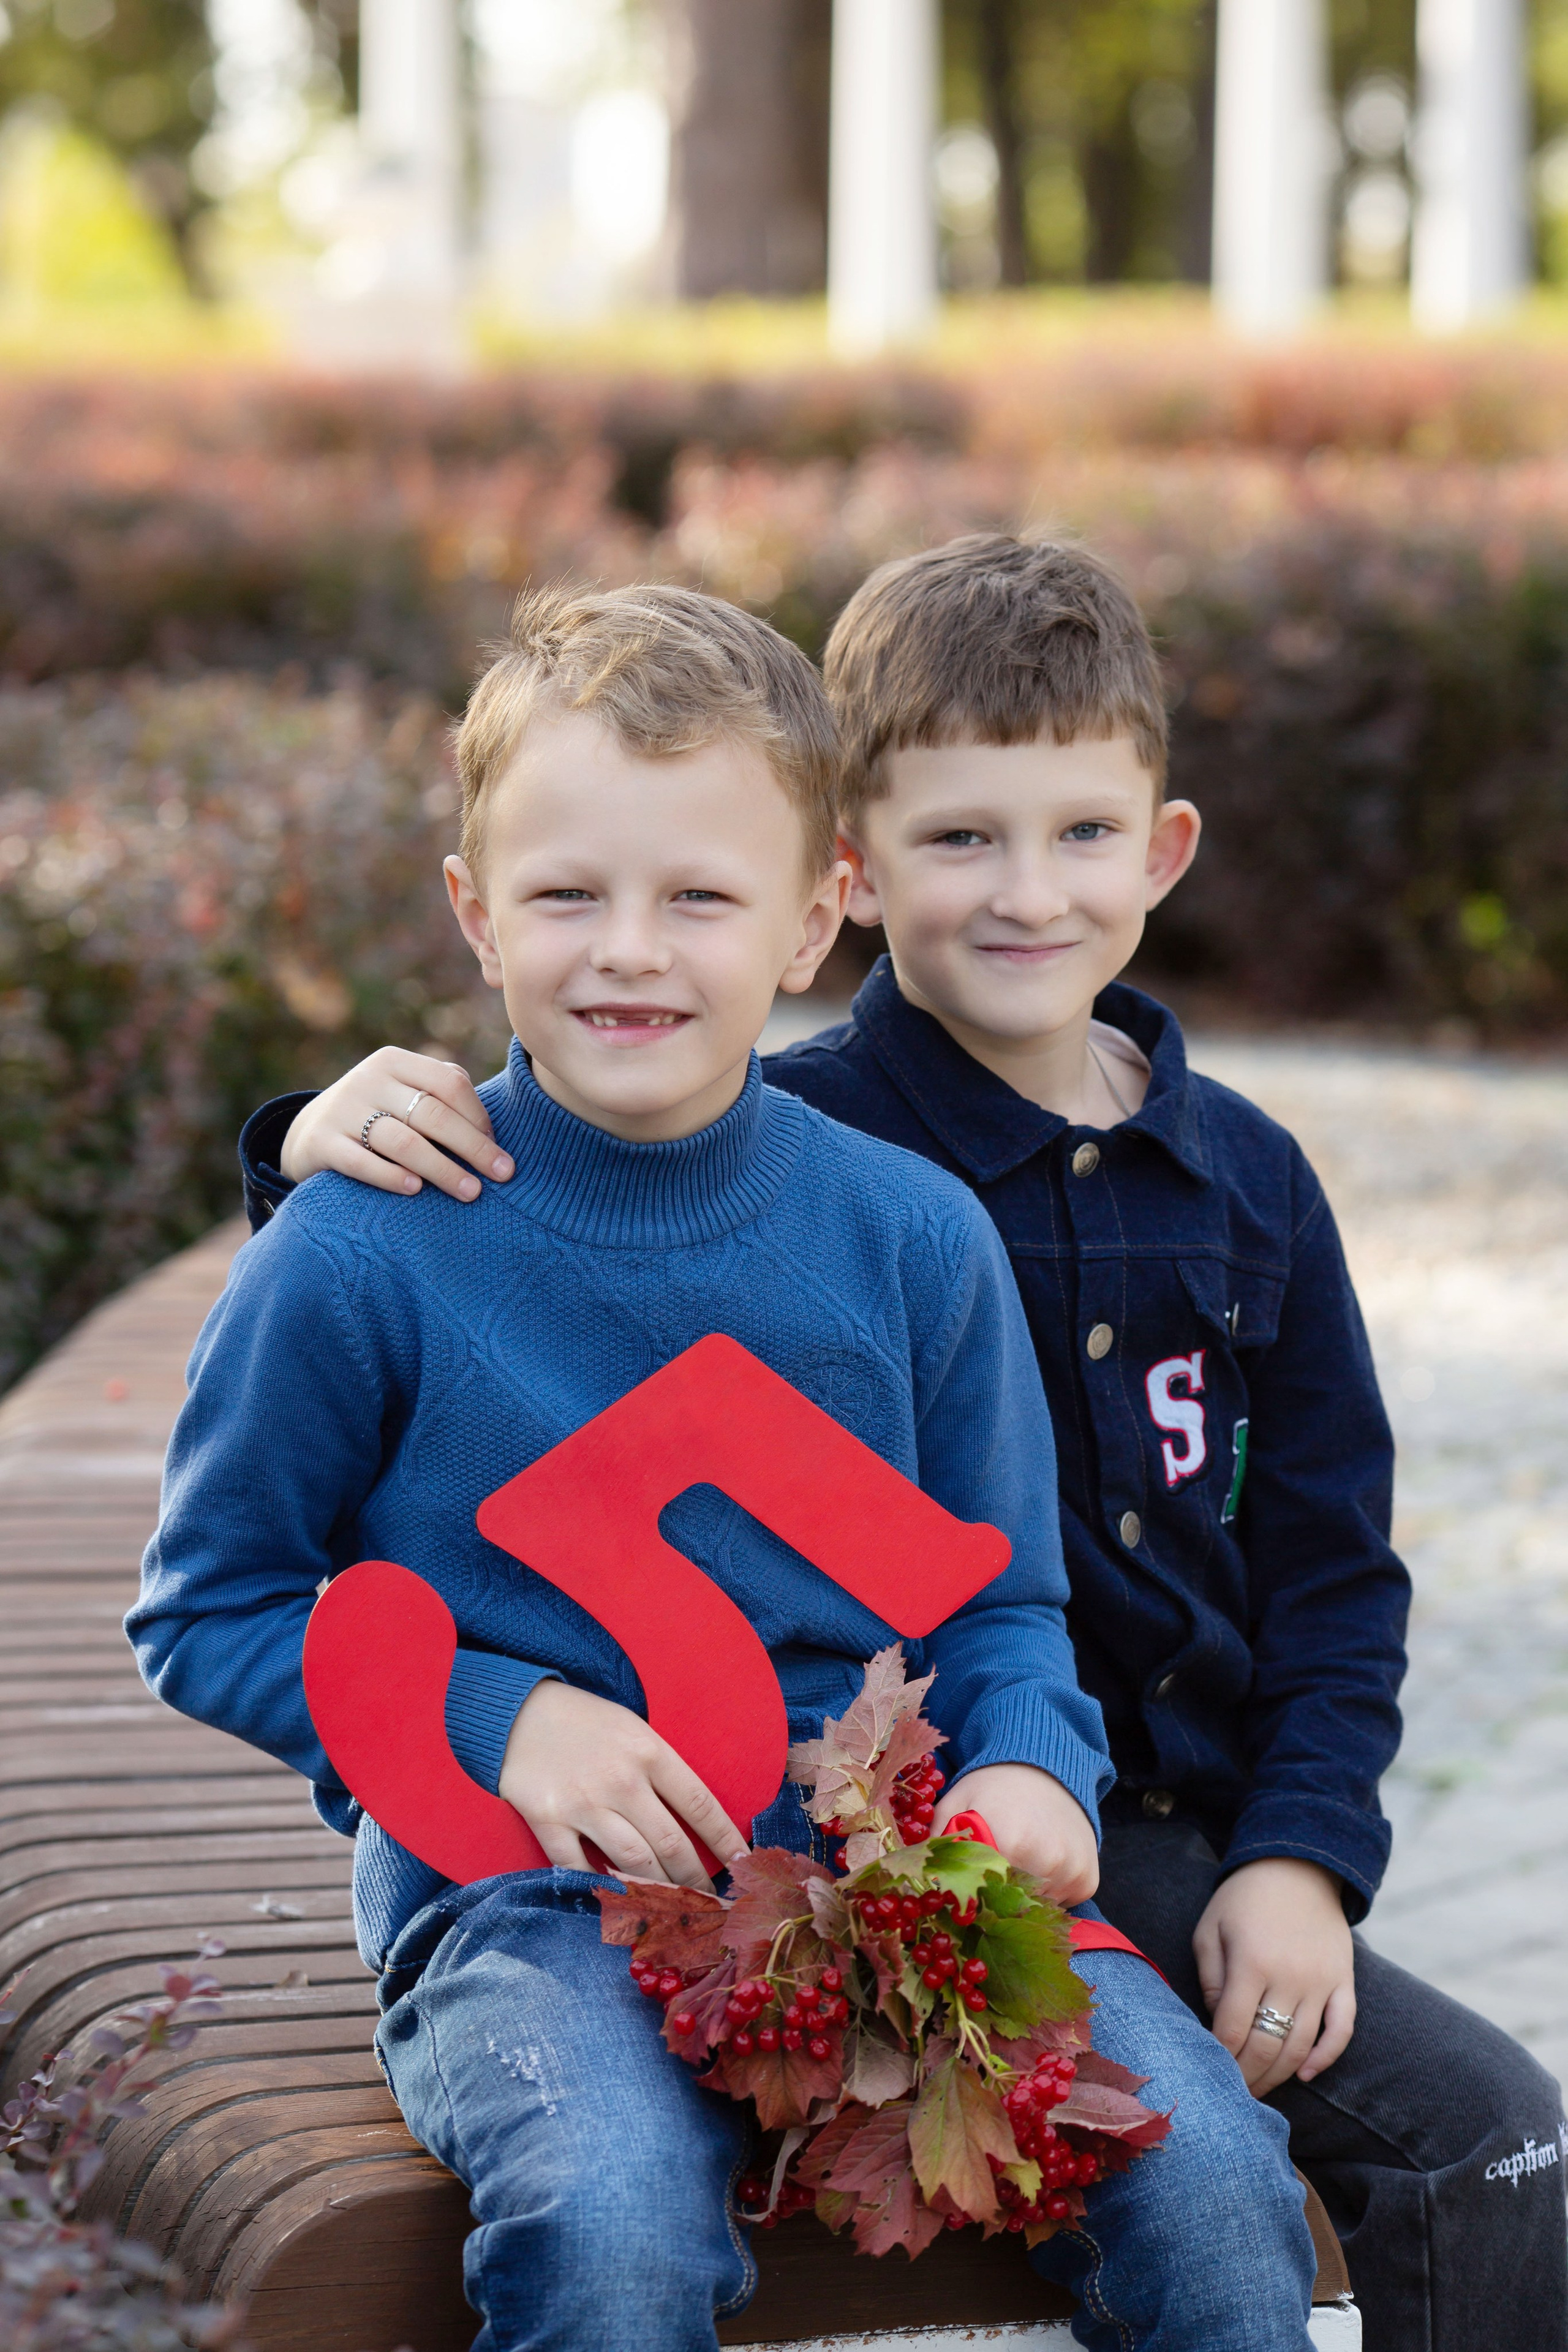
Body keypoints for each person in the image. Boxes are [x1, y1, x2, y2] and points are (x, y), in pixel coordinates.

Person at [246, 540, 1568, 2352]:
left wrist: (1214, 1822)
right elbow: (308, 1494)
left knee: (1257, 2184)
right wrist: (301, 1154)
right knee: (619, 2218)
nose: (635, 951)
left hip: (938, 1850)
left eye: (701, 901)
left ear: (803, 918)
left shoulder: (951, 1215)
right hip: (538, 1889)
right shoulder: (568, 1172)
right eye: (571, 898)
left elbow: (1158, 1589)